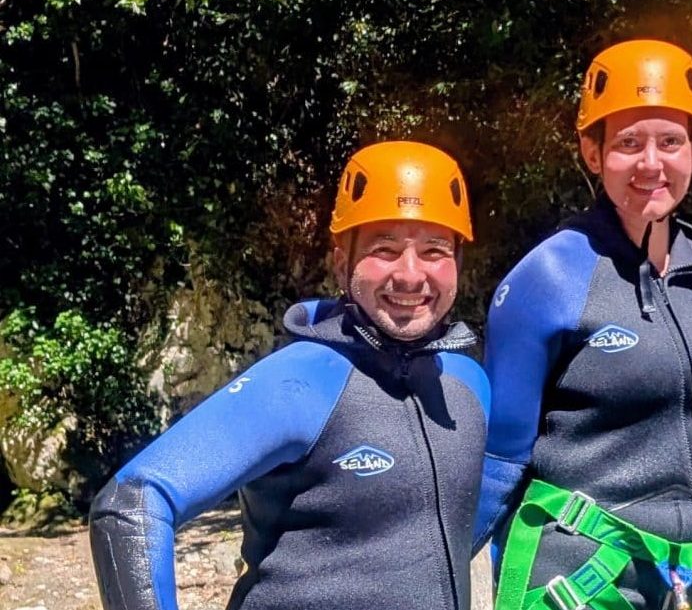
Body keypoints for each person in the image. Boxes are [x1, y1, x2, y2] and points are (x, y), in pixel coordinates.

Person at [89, 140, 490, 610]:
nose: (410, 275)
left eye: (434, 250)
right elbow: (131, 505)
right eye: (384, 248)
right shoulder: (301, 381)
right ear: (342, 262)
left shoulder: (466, 384)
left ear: (457, 262)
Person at [476, 39, 692, 610]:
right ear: (592, 152)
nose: (651, 164)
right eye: (628, 143)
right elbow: (499, 464)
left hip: (688, 576)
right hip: (576, 581)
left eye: (670, 142)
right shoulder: (550, 277)